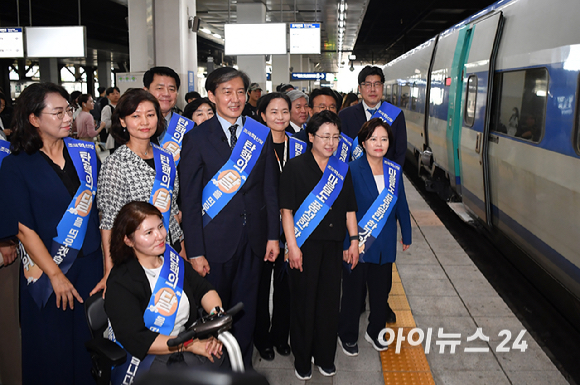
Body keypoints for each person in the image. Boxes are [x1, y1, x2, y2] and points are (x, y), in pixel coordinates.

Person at [0, 82, 103, 384]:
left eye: (68, 110)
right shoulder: (16, 165)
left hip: (90, 264)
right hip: (47, 270)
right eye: (57, 112)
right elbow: (23, 227)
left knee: (89, 344)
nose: (67, 117)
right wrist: (56, 274)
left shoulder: (85, 155)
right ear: (34, 119)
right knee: (50, 348)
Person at [180, 67, 280, 369]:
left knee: (247, 310)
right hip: (214, 245)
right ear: (211, 96)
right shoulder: (197, 138)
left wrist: (273, 236)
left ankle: (243, 367)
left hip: (254, 241)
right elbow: (190, 198)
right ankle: (218, 369)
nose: (235, 99)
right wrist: (195, 251)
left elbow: (269, 190)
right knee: (215, 313)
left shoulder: (257, 134)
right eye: (226, 92)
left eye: (240, 92)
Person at [279, 110, 359, 380]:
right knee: (303, 303)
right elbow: (286, 211)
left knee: (328, 304)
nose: (331, 143)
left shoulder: (341, 169)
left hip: (334, 246)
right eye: (325, 136)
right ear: (311, 136)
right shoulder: (295, 167)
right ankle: (302, 358)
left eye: (336, 137)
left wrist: (354, 241)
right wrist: (292, 247)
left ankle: (325, 357)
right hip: (304, 246)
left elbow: (350, 210)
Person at [105, 202, 225, 379]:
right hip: (144, 355)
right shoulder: (121, 281)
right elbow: (138, 339)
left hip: (182, 341)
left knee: (219, 358)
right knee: (201, 373)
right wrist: (190, 344)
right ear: (128, 240)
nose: (160, 236)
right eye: (149, 232)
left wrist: (216, 318)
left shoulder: (171, 261)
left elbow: (204, 289)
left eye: (160, 226)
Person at [97, 89, 185, 295]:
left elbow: (173, 210)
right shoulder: (115, 164)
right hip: (136, 257)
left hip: (171, 250)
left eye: (150, 115)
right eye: (135, 116)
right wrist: (109, 269)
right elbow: (109, 222)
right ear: (123, 121)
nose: (144, 122)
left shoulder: (166, 157)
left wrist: (182, 250)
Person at [338, 118, 412, 356]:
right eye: (373, 139)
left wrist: (407, 234)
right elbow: (344, 209)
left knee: (382, 292)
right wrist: (346, 242)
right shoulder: (351, 169)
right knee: (353, 292)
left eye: (384, 139)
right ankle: (347, 334)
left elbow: (401, 203)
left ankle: (375, 331)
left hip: (385, 243)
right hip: (358, 242)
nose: (379, 144)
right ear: (363, 142)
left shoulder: (394, 170)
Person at [253, 92, 293, 361]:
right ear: (262, 115)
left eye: (285, 111)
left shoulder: (300, 146)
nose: (280, 117)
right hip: (262, 228)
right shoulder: (252, 147)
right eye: (274, 112)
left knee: (286, 287)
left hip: (291, 229)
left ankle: (281, 335)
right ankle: (261, 338)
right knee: (258, 286)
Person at [339, 65, 408, 168]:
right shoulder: (345, 115)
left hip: (386, 177)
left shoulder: (396, 115)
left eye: (377, 84)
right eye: (367, 85)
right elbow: (343, 154)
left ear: (382, 87)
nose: (372, 89)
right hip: (355, 178)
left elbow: (400, 152)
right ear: (359, 88)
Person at [143, 66, 181, 141]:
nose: (166, 94)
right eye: (160, 88)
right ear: (146, 91)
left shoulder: (187, 127)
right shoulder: (136, 126)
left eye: (171, 89)